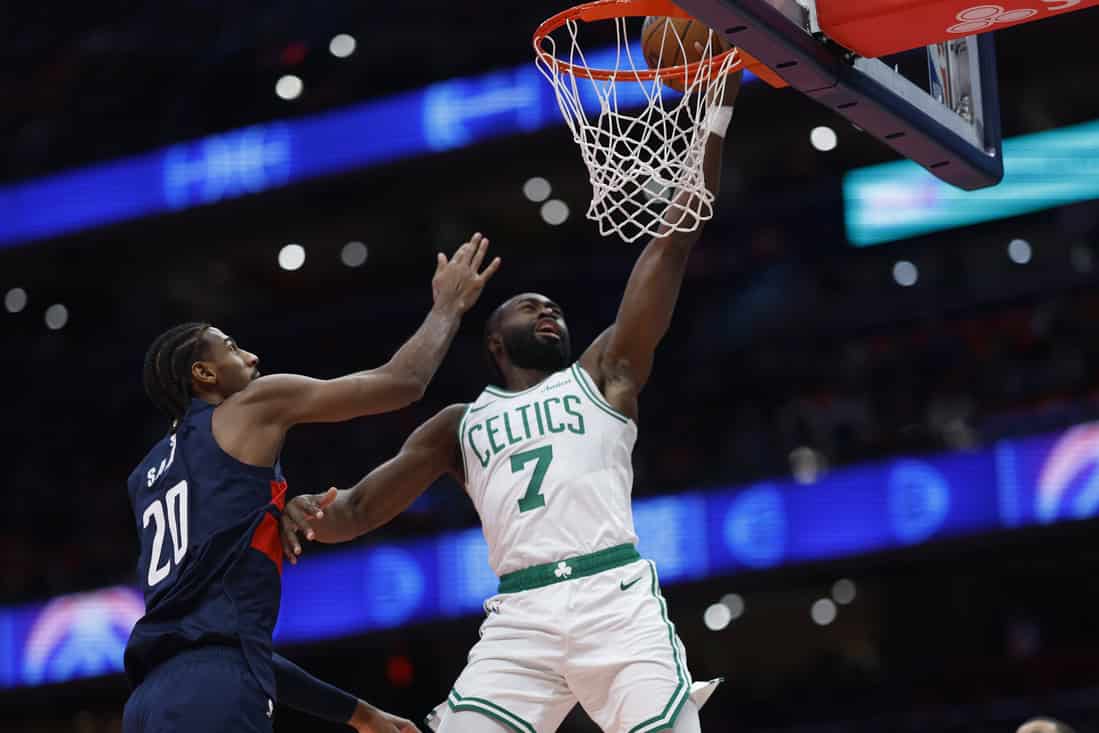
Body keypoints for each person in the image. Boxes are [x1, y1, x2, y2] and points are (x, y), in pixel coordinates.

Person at [280, 68, 744, 733]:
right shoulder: (456, 425)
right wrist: (302, 515)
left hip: (612, 595)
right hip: (519, 616)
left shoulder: (604, 373)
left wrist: (717, 107)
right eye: (529, 307)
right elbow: (354, 508)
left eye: (554, 307)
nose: (547, 310)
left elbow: (672, 241)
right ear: (494, 342)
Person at [122, 235, 500, 732]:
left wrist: (360, 715)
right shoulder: (254, 403)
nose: (253, 358)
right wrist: (448, 306)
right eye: (233, 349)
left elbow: (233, 653)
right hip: (212, 691)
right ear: (203, 372)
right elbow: (402, 382)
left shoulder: (146, 475)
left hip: (147, 703)